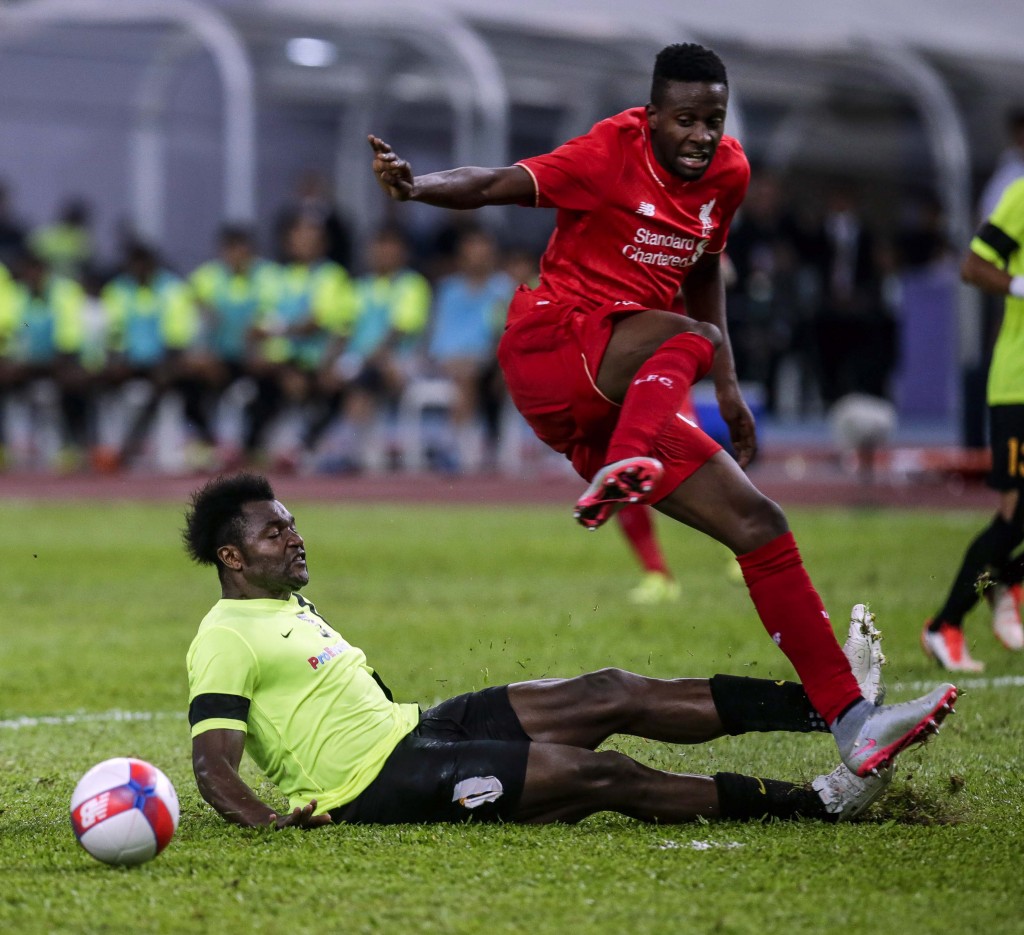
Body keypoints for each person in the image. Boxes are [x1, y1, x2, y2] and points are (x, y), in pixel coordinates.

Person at [368, 42, 956, 777]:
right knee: (690, 337)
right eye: (685, 120)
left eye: (713, 119)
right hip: (553, 347)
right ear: (651, 117)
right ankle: (628, 462)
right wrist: (417, 187)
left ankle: (853, 724)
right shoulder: (606, 152)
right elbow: (494, 182)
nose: (701, 135)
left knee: (760, 522)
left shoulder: (730, 174)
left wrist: (728, 386)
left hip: (623, 390)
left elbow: (704, 269)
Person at [183, 473, 923, 830]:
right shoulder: (223, 635)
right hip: (375, 785)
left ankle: (835, 707)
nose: (296, 538)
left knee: (611, 689)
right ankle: (817, 803)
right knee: (602, 774)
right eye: (275, 532)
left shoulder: (285, 604)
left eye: (292, 523)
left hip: (419, 728)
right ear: (232, 557)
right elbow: (213, 764)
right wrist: (269, 823)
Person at [923, 177, 1024, 670]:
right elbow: (973, 266)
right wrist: (1019, 285)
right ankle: (945, 624)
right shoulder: (1022, 196)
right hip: (1019, 384)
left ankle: (1006, 580)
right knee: (1017, 516)